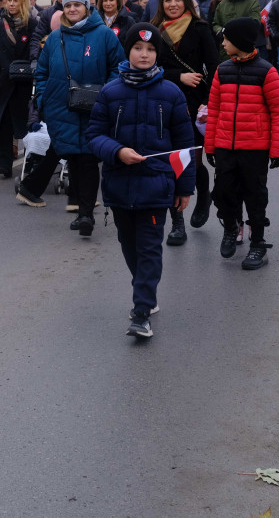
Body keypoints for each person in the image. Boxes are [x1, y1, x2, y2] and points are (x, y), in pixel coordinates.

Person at [87, 24, 195, 339]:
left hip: (157, 185)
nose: (144, 54)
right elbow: (94, 136)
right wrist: (117, 151)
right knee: (128, 243)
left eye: (150, 50)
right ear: (128, 52)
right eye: (138, 48)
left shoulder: (171, 93)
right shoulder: (110, 91)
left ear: (157, 54)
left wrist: (185, 187)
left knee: (149, 248)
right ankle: (144, 290)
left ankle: (141, 311)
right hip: (119, 183)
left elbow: (185, 144)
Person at [33, 0, 124, 235]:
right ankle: (81, 211)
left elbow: (118, 67)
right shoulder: (54, 38)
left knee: (88, 160)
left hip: (95, 108)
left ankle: (85, 215)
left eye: (78, 4)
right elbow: (41, 73)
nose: (72, 9)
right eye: (68, 5)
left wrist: (108, 95)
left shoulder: (104, 35)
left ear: (87, 7)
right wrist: (43, 98)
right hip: (62, 108)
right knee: (73, 157)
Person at [204, 17, 279, 270]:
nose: (223, 42)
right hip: (225, 146)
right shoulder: (222, 70)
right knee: (223, 192)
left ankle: (258, 244)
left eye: (227, 39)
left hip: (255, 148)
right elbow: (214, 109)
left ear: (239, 42)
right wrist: (210, 146)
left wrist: (277, 149)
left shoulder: (266, 71)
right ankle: (231, 226)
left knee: (255, 195)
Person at [151, 0, 219, 243]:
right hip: (164, 101)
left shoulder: (200, 28)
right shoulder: (154, 32)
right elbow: (149, 65)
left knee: (195, 160)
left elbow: (213, 67)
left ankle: (203, 195)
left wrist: (208, 102)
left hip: (196, 102)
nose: (172, 4)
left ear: (186, 2)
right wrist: (178, 76)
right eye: (168, 0)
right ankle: (176, 223)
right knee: (172, 162)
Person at [0, 0, 39, 178]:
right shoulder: (0, 26)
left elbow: (36, 49)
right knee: (5, 125)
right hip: (5, 82)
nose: (11, 4)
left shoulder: (32, 24)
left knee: (28, 126)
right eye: (9, 0)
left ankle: (30, 162)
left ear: (23, 2)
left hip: (25, 83)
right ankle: (4, 164)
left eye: (15, 0)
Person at [30, 0, 76, 64]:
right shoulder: (47, 13)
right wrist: (34, 58)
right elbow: (37, 36)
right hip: (54, 61)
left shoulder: (82, 12)